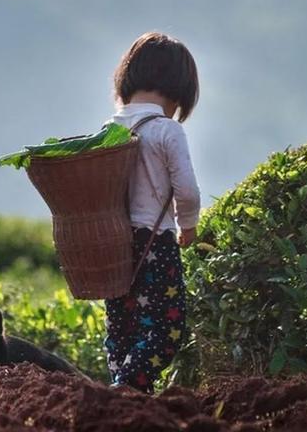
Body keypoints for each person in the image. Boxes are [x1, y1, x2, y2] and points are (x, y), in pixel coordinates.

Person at [104, 31, 201, 393]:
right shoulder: (167, 130)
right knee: (165, 330)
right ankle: (128, 388)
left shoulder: (109, 129)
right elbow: (187, 191)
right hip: (154, 245)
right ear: (179, 91)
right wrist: (188, 227)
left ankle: (123, 389)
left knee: (121, 328)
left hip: (113, 245)